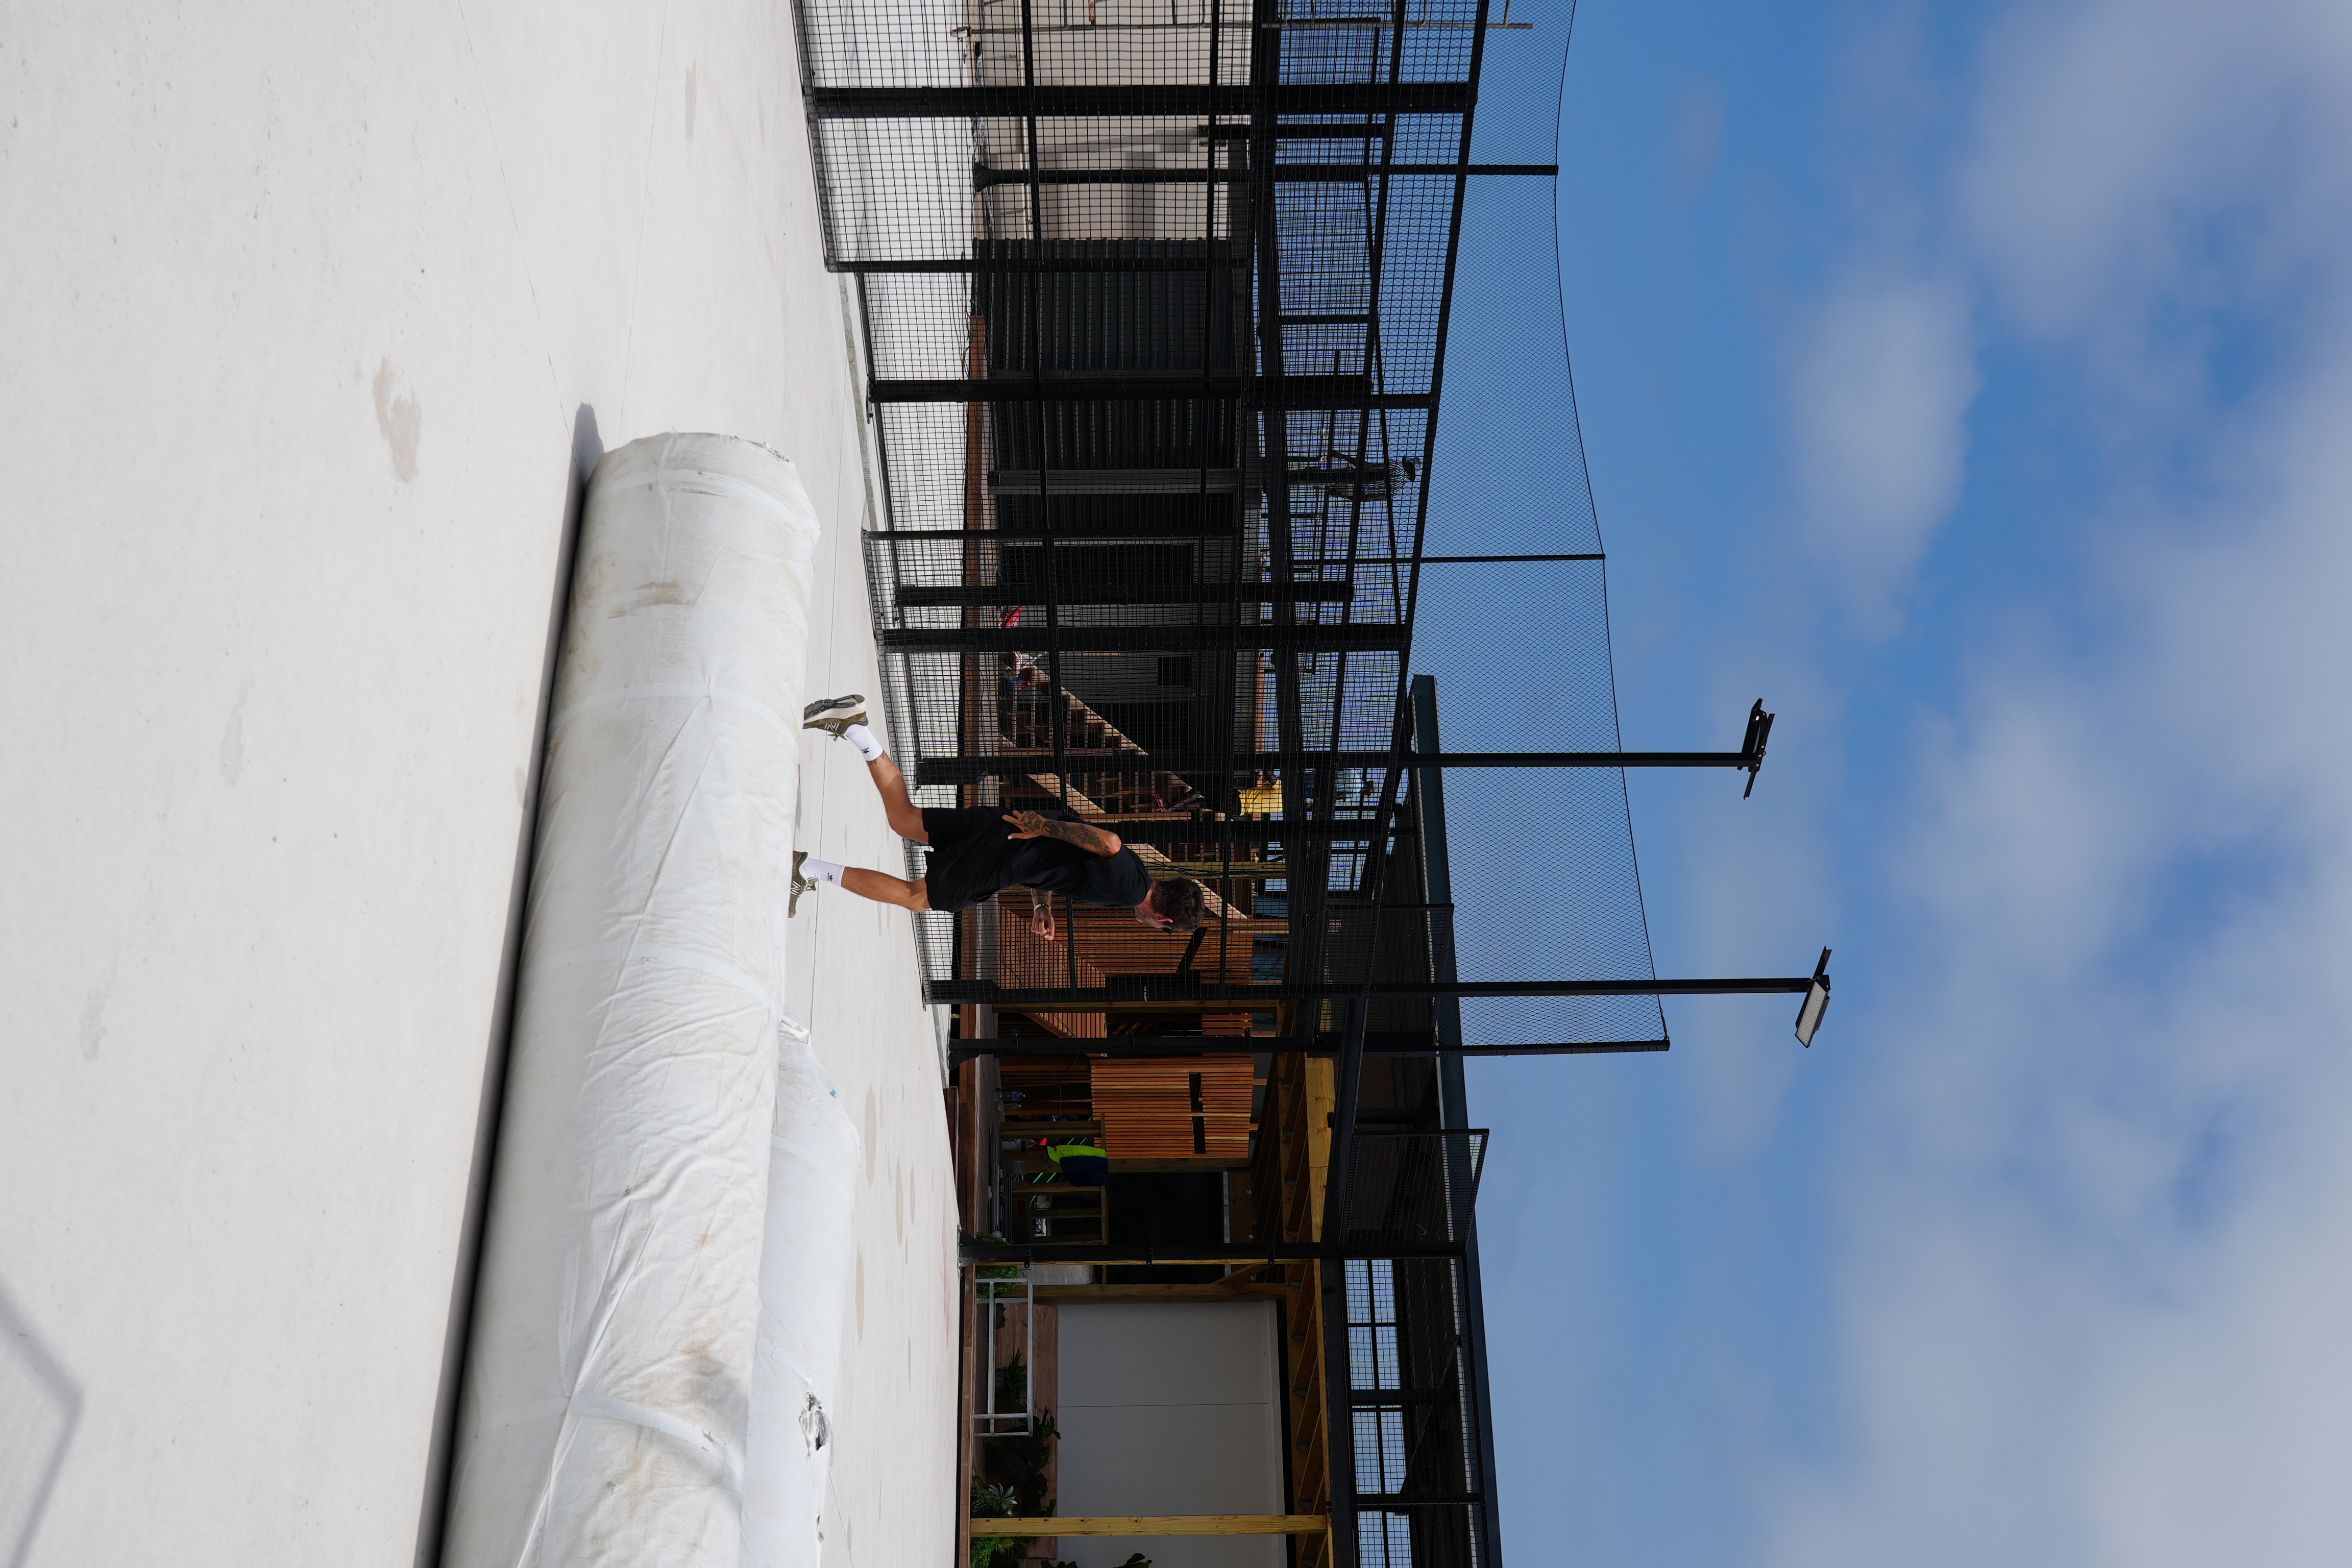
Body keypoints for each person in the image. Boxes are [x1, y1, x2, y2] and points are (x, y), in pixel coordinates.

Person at [788, 694, 1211, 938]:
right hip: (1002, 854)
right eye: (1162, 930)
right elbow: (1107, 842)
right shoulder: (1132, 888)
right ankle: (806, 870)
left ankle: (858, 729)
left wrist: (1041, 903)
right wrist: (1041, 826)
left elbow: (1061, 860)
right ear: (1165, 918)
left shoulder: (1139, 875)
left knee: (903, 819)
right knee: (919, 898)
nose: (1155, 929)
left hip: (1002, 828)